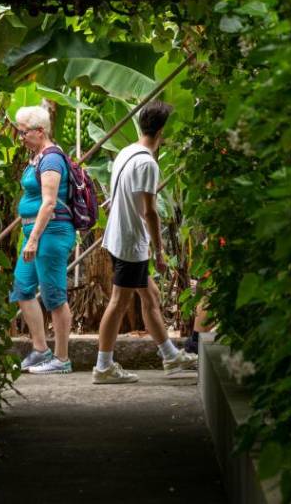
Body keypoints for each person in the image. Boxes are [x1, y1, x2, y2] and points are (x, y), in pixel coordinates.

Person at [92, 100, 198, 384]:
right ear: (161, 130)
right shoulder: (147, 163)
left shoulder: (127, 152)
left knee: (149, 296)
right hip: (130, 242)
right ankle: (103, 366)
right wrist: (159, 251)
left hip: (118, 237)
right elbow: (149, 211)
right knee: (118, 302)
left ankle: (170, 355)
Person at [9, 105, 76, 375]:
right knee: (22, 288)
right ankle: (40, 349)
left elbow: (48, 204)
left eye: (24, 132)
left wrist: (34, 238)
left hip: (50, 233)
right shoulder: (36, 157)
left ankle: (62, 359)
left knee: (54, 295)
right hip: (33, 232)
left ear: (40, 131)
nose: (20, 137)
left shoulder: (50, 159)